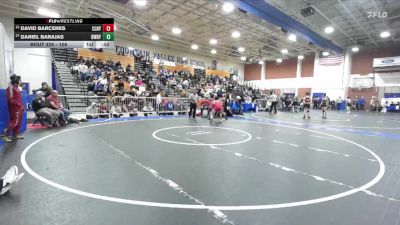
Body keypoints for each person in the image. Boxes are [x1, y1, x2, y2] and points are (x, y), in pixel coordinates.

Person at [1, 74, 24, 143]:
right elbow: (10, 99)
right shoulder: (11, 88)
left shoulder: (17, 88)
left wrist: (21, 106)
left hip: (19, 108)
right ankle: (4, 135)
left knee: (18, 122)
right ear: (16, 80)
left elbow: (18, 99)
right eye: (20, 80)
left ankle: (15, 135)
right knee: (15, 122)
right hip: (15, 108)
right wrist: (18, 105)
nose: (20, 81)